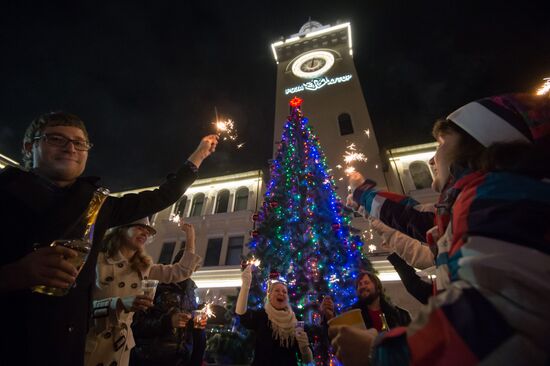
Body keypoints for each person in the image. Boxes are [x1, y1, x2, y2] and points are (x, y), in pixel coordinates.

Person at [329, 93, 550, 365]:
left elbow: (485, 325)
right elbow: (413, 218)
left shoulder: (498, 199)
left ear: (478, 144)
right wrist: (363, 198)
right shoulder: (479, 200)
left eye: (441, 143)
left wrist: (379, 352)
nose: (433, 159)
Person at [0, 111, 218, 366]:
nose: (70, 148)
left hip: (68, 349)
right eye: (57, 139)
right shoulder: (7, 194)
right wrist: (17, 273)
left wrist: (199, 155)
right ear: (30, 147)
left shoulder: (96, 204)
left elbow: (161, 197)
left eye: (79, 143)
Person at [85, 220, 201, 366]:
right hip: (91, 347)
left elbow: (181, 271)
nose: (145, 232)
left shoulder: (145, 268)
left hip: (120, 352)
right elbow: (77, 309)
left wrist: (190, 236)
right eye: (140, 227)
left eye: (148, 231)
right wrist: (119, 304)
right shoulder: (95, 260)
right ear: (122, 229)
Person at [131, 249, 207, 366]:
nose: (194, 269)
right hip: (151, 360)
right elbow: (137, 325)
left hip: (181, 360)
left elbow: (188, 333)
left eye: (196, 266)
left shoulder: (191, 293)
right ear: (180, 264)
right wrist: (168, 322)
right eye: (192, 265)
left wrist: (196, 324)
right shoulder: (155, 286)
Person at [235, 266, 313, 366]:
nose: (281, 293)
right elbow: (241, 314)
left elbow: (307, 360)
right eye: (277, 290)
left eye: (284, 292)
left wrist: (304, 347)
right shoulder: (261, 315)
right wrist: (245, 285)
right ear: (269, 296)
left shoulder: (297, 320)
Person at [321, 271, 411, 331]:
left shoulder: (400, 315)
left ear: (378, 288)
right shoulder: (351, 316)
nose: (362, 286)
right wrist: (330, 317)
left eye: (366, 283)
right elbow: (339, 339)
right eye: (359, 285)